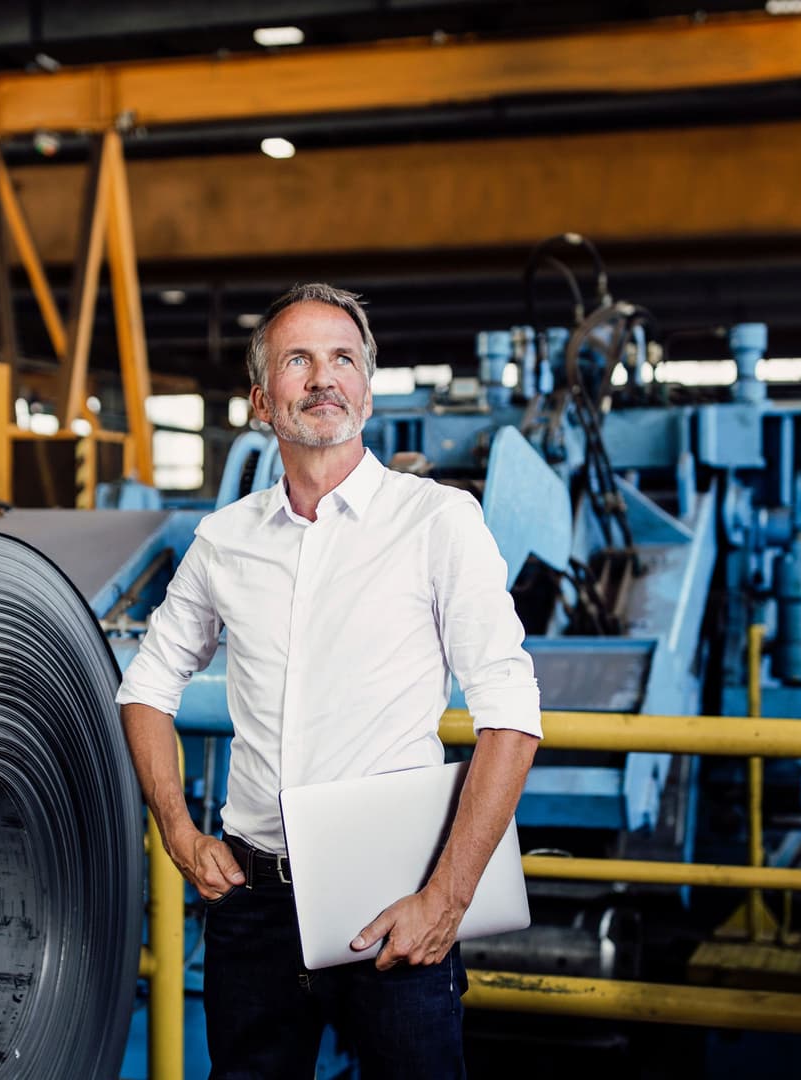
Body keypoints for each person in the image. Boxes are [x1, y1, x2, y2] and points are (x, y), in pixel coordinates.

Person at [116, 282, 541, 1079]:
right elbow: (146, 686)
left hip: (395, 897)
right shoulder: (225, 540)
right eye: (297, 361)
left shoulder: (437, 521)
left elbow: (512, 715)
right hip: (252, 906)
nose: (323, 378)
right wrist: (177, 830)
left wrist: (447, 898)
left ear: (367, 392)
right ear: (259, 401)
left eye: (343, 359)